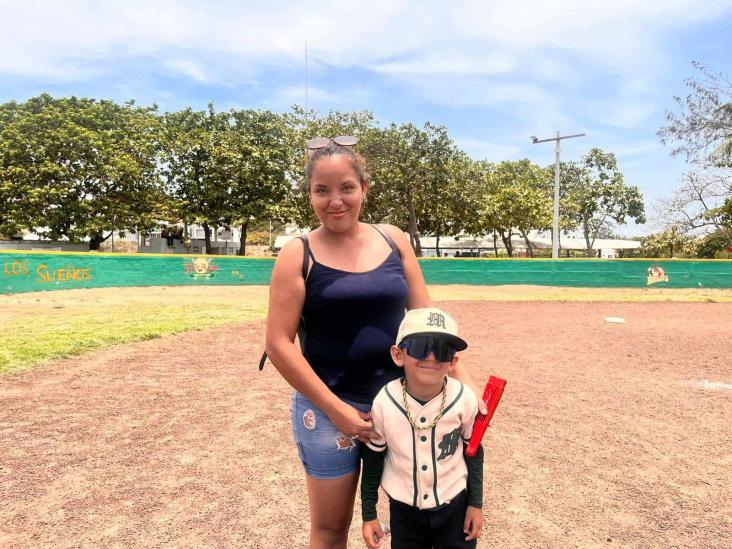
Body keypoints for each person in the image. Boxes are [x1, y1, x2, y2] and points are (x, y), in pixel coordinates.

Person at [265, 137, 485, 549]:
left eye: (346, 187)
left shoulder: (393, 240)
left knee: (425, 513)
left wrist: (467, 385)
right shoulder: (298, 254)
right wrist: (340, 411)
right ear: (310, 194)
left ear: (365, 188)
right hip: (330, 412)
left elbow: (426, 323)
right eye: (322, 190)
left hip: (404, 404)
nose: (335, 201)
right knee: (331, 530)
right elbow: (278, 344)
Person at [360, 307, 484, 548]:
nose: (432, 357)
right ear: (398, 355)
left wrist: (475, 504)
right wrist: (369, 514)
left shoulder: (464, 398)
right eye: (420, 346)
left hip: (455, 509)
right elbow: (373, 457)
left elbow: (474, 453)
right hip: (405, 513)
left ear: (453, 361)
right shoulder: (385, 401)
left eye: (442, 349)